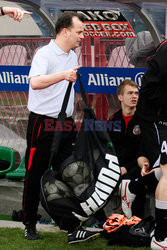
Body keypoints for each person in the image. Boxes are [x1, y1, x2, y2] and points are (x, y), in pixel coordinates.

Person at [22, 11, 101, 243]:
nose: (82, 36)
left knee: (71, 172)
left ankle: (72, 226)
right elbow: (35, 82)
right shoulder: (44, 53)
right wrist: (62, 75)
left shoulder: (72, 56)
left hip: (66, 123)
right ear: (65, 31)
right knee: (34, 174)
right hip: (42, 123)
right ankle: (29, 223)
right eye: (79, 32)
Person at [121, 39, 167, 249]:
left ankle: (134, 186)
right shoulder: (166, 49)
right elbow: (148, 88)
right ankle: (161, 237)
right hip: (157, 119)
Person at [108, 79, 146, 218]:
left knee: (136, 181)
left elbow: (144, 150)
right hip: (116, 167)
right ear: (120, 97)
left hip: (137, 167)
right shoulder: (113, 120)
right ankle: (102, 220)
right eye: (130, 93)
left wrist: (127, 168)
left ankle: (137, 222)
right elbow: (109, 149)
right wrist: (117, 167)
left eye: (136, 93)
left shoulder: (143, 120)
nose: (134, 96)